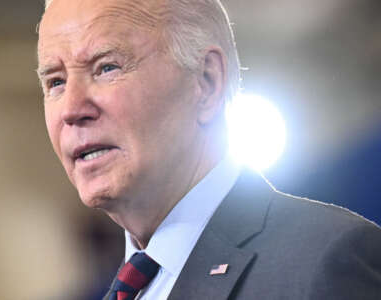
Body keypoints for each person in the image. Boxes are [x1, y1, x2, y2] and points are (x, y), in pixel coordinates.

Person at [37, 0, 381, 299]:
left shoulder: (322, 260)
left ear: (206, 81)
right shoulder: (127, 287)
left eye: (106, 67)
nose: (71, 109)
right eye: (55, 82)